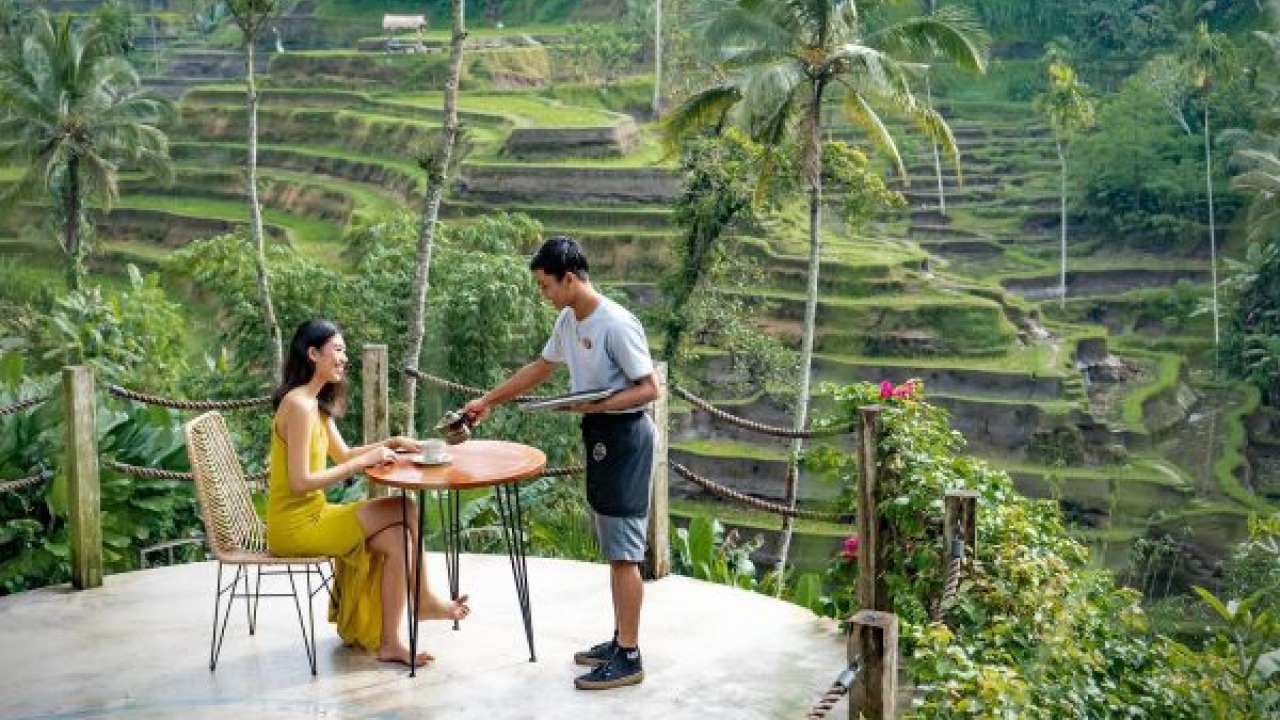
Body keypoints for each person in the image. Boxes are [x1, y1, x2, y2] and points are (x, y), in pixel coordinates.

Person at [464, 236, 658, 690]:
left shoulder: (615, 323)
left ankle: (629, 655)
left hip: (627, 437)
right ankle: (619, 639)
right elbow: (540, 367)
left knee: (625, 551)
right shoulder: (570, 320)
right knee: (614, 545)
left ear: (569, 279)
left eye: (546, 285)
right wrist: (488, 401)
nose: (544, 295)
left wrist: (595, 406)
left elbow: (649, 389)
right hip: (600, 435)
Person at [267, 318, 469, 667]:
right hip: (295, 527)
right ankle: (425, 601)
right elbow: (300, 482)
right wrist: (365, 463)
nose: (345, 358)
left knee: (398, 542)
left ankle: (391, 642)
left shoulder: (315, 405)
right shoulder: (298, 406)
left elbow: (344, 455)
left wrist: (390, 443)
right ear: (313, 354)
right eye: (338, 350)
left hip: (315, 515)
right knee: (404, 507)